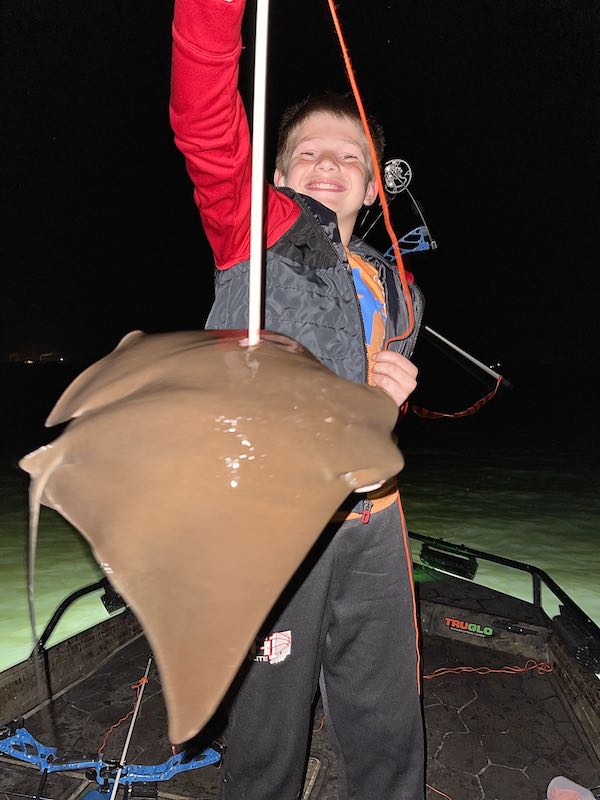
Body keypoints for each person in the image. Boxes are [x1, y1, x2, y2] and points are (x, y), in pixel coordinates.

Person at [169, 0, 426, 797]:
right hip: (272, 523)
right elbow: (203, 115)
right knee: (266, 731)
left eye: (349, 156)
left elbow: (371, 406)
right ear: (276, 175)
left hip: (374, 520)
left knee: (387, 718)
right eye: (306, 152)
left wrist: (389, 396)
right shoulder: (255, 230)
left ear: (373, 185)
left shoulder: (400, 288)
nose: (327, 164)